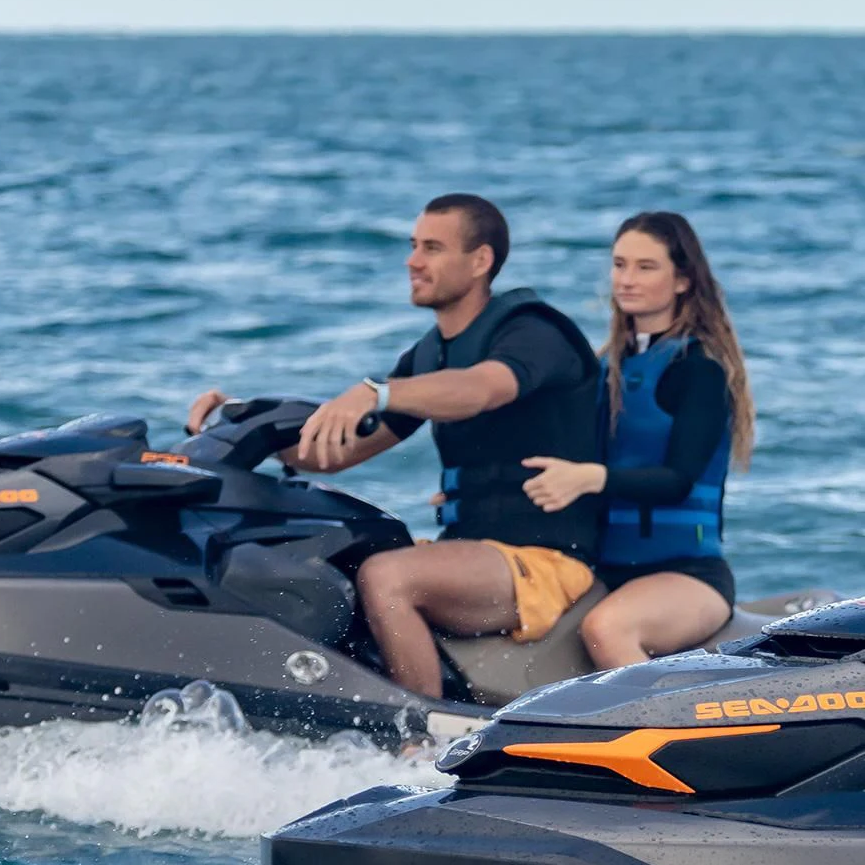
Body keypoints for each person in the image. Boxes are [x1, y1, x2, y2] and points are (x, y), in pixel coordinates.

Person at [184, 193, 602, 700]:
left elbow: (480, 389)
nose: (413, 261)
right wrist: (241, 422)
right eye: (412, 246)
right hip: (471, 553)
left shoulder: (533, 331)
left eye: (431, 248)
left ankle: (421, 738)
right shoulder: (429, 355)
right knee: (321, 566)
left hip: (545, 562)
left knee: (389, 577)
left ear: (480, 261)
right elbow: (337, 454)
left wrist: (376, 392)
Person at [517, 210, 754, 667]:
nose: (626, 279)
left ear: (683, 280)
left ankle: (661, 738)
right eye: (619, 264)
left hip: (688, 575)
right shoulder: (603, 367)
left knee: (607, 628)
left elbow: (678, 480)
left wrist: (591, 478)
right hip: (603, 568)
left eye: (645, 267)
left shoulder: (698, 370)